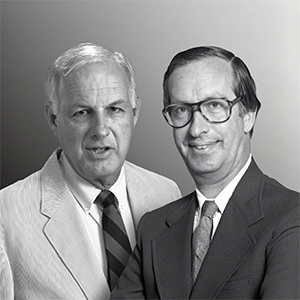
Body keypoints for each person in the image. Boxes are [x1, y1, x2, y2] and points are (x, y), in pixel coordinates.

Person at [110, 46, 300, 299]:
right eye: (181, 110)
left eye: (214, 105)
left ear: (248, 116)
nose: (196, 129)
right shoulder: (153, 227)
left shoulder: (291, 216)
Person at [0, 43, 181, 300]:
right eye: (82, 112)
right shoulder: (5, 216)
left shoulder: (166, 194)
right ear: (53, 119)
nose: (101, 129)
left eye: (114, 109)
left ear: (135, 113)